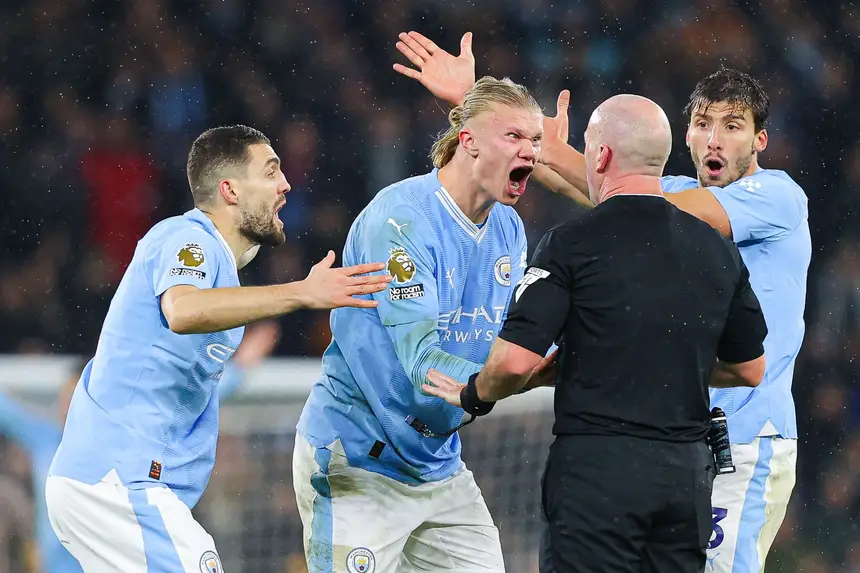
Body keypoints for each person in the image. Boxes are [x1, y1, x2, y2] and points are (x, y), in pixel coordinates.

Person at [394, 34, 810, 572]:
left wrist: (590, 166)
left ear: (760, 141)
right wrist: (476, 106)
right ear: (683, 135)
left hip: (750, 437)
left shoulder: (778, 196)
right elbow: (605, 182)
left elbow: (623, 190)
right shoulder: (668, 191)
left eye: (732, 127)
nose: (715, 139)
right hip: (685, 438)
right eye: (704, 123)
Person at [44, 124, 392, 573]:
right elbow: (183, 309)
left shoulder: (221, 271)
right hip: (118, 480)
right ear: (229, 189)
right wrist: (301, 292)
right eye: (270, 171)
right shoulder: (189, 239)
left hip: (118, 483)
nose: (285, 184)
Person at [293, 76, 541, 572]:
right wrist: (507, 380)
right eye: (514, 136)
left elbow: (502, 343)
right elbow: (424, 364)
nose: (530, 152)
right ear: (467, 141)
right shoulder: (402, 221)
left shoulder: (509, 228)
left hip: (437, 465)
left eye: (535, 141)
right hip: (359, 459)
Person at [0, 321, 279, 573]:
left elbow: (191, 397)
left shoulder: (127, 440)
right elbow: (6, 410)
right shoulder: (46, 439)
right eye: (66, 397)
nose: (69, 406)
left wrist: (239, 368)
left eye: (76, 397)